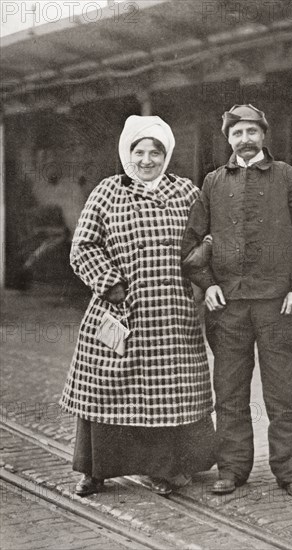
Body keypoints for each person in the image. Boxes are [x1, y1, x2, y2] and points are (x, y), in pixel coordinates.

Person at [60, 115, 215, 497]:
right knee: (106, 388)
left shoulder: (186, 193)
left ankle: (164, 470)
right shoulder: (108, 192)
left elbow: (210, 236)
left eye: (155, 152)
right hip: (119, 311)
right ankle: (96, 471)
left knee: (168, 394)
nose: (147, 160)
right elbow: (83, 246)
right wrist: (110, 283)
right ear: (127, 153)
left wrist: (204, 263)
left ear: (167, 155)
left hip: (172, 315)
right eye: (139, 152)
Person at [181, 104, 292, 498]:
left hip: (278, 305)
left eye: (252, 132)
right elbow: (191, 243)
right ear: (228, 138)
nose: (245, 140)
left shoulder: (287, 177)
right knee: (228, 393)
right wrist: (207, 283)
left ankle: (291, 470)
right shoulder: (211, 182)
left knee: (283, 394)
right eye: (237, 133)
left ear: (264, 136)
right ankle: (232, 468)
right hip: (227, 307)